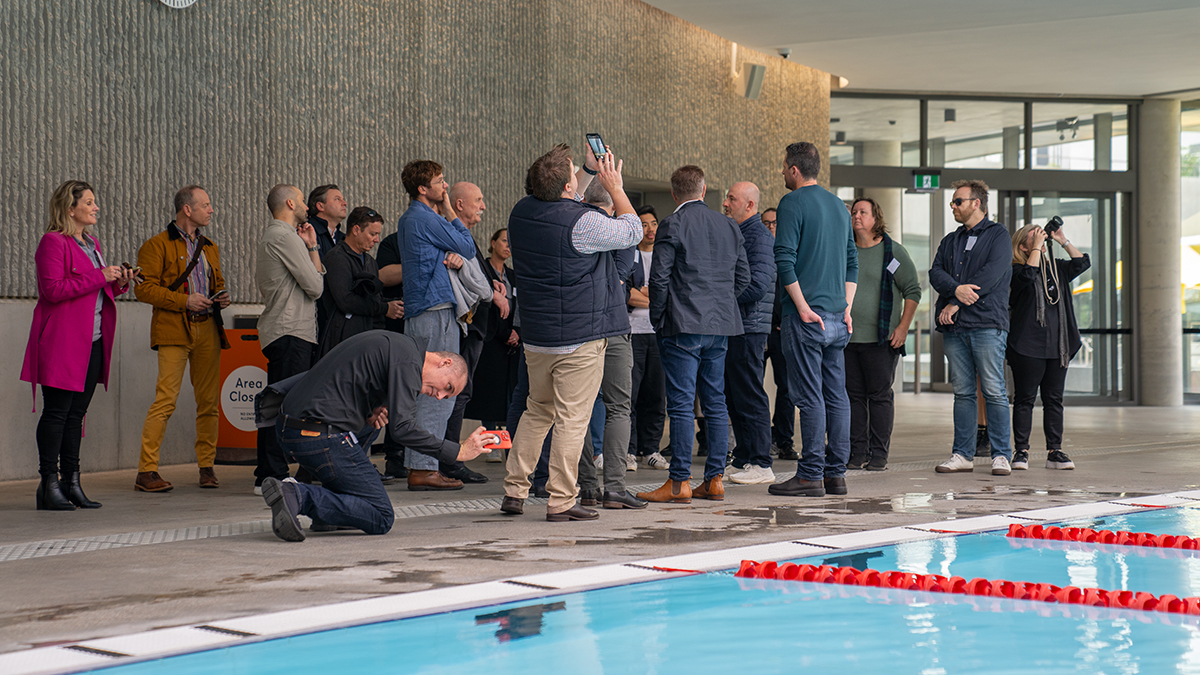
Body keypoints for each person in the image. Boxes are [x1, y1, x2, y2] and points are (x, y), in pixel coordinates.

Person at [501, 143, 641, 522]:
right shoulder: (583, 224)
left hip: (537, 335)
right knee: (572, 419)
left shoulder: (521, 213)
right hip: (579, 336)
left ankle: (514, 490)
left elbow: (562, 195)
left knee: (537, 410)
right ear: (566, 189)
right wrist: (614, 186)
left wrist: (585, 169)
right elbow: (632, 230)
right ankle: (562, 499)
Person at [262, 330, 494, 541]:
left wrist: (368, 411)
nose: (441, 396)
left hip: (290, 428)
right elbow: (403, 428)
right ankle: (295, 494)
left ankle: (330, 515)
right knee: (381, 515)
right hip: (317, 435)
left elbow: (347, 379)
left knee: (370, 428)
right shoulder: (409, 362)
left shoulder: (398, 346)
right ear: (445, 362)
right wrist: (457, 452)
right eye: (448, 387)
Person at [638, 165, 750, 504]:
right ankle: (714, 480)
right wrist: (723, 304)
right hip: (720, 326)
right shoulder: (728, 224)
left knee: (683, 404)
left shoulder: (673, 224)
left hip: (682, 325)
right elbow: (743, 278)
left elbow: (658, 279)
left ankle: (679, 483)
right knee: (716, 402)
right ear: (703, 191)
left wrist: (659, 317)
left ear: (675, 194)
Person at [22, 180, 135, 510]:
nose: (95, 207)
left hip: (93, 340)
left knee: (76, 414)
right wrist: (101, 275)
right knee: (57, 413)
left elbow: (94, 293)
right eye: (89, 202)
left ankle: (72, 482)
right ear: (70, 209)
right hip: (63, 342)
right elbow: (53, 290)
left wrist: (119, 282)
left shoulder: (91, 243)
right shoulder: (52, 242)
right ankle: (48, 483)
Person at [769, 142, 858, 498]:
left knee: (809, 397)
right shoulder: (838, 205)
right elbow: (852, 260)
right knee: (836, 395)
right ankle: (836, 474)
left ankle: (809, 475)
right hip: (838, 318)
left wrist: (803, 307)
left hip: (806, 318)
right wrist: (847, 307)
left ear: (793, 169)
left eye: (783, 167)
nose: (782, 173)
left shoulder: (792, 203)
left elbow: (784, 259)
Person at [133, 185, 232, 492]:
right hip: (174, 328)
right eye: (205, 204)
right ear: (187, 209)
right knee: (165, 400)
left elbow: (217, 281)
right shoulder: (156, 245)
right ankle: (146, 471)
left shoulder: (209, 246)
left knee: (208, 403)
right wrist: (184, 301)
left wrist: (221, 296)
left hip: (207, 328)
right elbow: (142, 289)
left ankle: (206, 466)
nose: (211, 209)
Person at [396, 160, 478, 491]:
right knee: (437, 390)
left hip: (428, 308)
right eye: (440, 182)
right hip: (434, 309)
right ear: (422, 189)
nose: (445, 187)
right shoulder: (423, 217)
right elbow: (468, 246)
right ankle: (423, 468)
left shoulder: (414, 219)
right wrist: (449, 210)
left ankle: (424, 464)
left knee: (434, 391)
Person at [930, 179, 1014, 476]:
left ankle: (1002, 454)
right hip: (955, 329)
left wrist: (956, 302)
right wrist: (955, 292)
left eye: (958, 201)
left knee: (993, 390)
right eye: (953, 202)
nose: (953, 206)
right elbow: (935, 272)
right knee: (963, 392)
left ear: (976, 203)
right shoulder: (951, 240)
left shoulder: (999, 235)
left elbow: (991, 275)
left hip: (987, 325)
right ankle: (962, 454)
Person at [573, 181, 644, 509]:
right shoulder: (621, 234)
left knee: (581, 409)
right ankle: (615, 487)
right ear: (613, 206)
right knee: (618, 406)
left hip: (579, 327)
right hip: (614, 324)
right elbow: (618, 280)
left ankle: (587, 485)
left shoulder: (573, 226)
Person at [254, 184, 325, 493]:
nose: (306, 207)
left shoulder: (286, 237)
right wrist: (306, 249)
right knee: (281, 406)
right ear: (289, 202)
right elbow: (317, 286)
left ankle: (273, 470)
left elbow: (316, 277)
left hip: (291, 330)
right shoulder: (284, 236)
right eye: (301, 200)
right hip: (289, 330)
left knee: (284, 404)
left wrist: (312, 246)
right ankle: (270, 473)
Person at [844, 198, 920, 472]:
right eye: (854, 212)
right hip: (848, 338)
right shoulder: (846, 250)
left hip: (882, 340)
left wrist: (902, 327)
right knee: (853, 397)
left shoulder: (893, 253)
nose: (856, 216)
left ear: (876, 218)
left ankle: (878, 455)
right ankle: (856, 452)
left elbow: (913, 291)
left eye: (863, 212)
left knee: (879, 397)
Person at [1008, 221, 1089, 471]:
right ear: (1023, 246)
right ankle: (1021, 451)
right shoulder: (1015, 270)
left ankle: (1055, 451)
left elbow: (1082, 263)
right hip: (1027, 345)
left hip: (1058, 345)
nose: (1042, 239)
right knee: (1025, 399)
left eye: (1042, 236)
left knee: (1054, 399)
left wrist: (1062, 239)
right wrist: (1036, 248)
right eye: (1035, 237)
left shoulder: (1057, 269)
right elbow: (1027, 277)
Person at [440, 181, 498, 485]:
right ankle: (449, 460)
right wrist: (490, 290)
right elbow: (478, 287)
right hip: (464, 324)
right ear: (459, 205)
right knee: (453, 393)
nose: (483, 206)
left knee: (462, 394)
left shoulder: (463, 238)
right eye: (478, 200)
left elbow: (482, 281)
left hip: (475, 326)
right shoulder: (451, 238)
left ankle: (449, 459)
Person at [721, 182, 778, 485]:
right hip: (737, 325)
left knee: (750, 394)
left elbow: (757, 285)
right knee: (735, 394)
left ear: (750, 205)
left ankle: (761, 462)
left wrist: (718, 296)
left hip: (750, 327)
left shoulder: (758, 237)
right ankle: (744, 457)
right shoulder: (742, 233)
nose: (726, 203)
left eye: (732, 199)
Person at [316, 207, 404, 358]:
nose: (376, 240)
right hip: (343, 341)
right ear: (356, 230)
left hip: (368, 338)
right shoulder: (337, 257)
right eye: (372, 234)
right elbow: (346, 301)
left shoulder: (370, 261)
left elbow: (375, 299)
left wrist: (395, 304)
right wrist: (384, 308)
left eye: (377, 235)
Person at [466, 228, 520, 451]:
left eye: (511, 243)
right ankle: (489, 442)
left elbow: (520, 307)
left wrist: (517, 331)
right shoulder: (482, 270)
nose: (508, 246)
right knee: (488, 392)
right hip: (489, 337)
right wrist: (501, 332)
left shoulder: (513, 275)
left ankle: (505, 440)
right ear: (493, 242)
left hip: (512, 341)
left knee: (509, 392)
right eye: (504, 241)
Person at [628, 205, 669, 472]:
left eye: (653, 223)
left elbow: (670, 295)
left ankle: (651, 449)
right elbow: (626, 295)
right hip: (632, 333)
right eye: (644, 224)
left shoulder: (665, 257)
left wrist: (644, 295)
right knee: (629, 395)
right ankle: (629, 451)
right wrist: (653, 298)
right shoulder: (628, 256)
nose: (650, 229)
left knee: (656, 395)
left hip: (659, 334)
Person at [308, 184, 348, 343]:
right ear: (320, 206)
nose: (344, 203)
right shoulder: (306, 232)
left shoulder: (344, 239)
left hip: (336, 316)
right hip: (314, 316)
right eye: (337, 199)